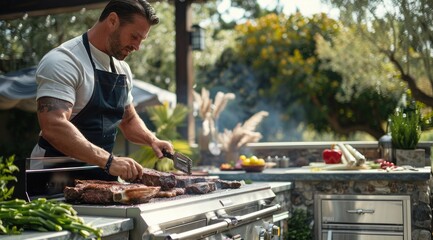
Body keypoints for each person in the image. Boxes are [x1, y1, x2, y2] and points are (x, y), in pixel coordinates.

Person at [31, 0, 174, 182]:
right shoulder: (63, 61)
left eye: (141, 40)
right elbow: (53, 126)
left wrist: (152, 140)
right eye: (134, 37)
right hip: (53, 176)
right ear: (113, 21)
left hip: (100, 177)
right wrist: (108, 161)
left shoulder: (122, 69)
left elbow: (128, 120)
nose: (137, 47)